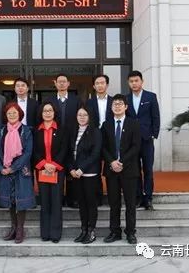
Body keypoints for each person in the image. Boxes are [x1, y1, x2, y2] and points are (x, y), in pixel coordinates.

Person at [0, 102, 35, 243]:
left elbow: (28, 152)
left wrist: (13, 167)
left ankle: (20, 229)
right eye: (9, 113)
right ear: (5, 115)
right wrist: (0, 168)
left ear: (20, 115)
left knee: (20, 201)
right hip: (5, 170)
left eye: (14, 113)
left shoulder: (26, 130)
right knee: (11, 201)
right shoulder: (0, 131)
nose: (12, 115)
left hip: (21, 170)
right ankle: (13, 227)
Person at [102, 94, 141, 244]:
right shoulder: (106, 125)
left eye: (120, 104)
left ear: (126, 107)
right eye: (114, 104)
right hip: (111, 170)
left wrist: (121, 161)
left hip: (129, 169)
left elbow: (136, 146)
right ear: (111, 108)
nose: (117, 106)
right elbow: (103, 147)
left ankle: (130, 232)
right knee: (114, 203)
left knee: (130, 203)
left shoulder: (134, 124)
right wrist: (112, 162)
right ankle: (115, 231)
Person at [33, 101, 68, 243]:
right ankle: (45, 233)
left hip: (57, 170)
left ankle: (55, 233)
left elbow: (64, 149)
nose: (47, 113)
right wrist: (43, 164)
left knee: (56, 201)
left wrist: (54, 164)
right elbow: (34, 151)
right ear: (41, 114)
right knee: (45, 201)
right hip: (42, 170)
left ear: (55, 113)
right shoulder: (36, 130)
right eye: (45, 111)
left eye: (50, 110)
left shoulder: (62, 129)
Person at [126, 70, 160, 211]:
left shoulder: (150, 97)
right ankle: (138, 197)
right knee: (135, 171)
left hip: (146, 139)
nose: (134, 83)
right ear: (129, 83)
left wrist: (154, 134)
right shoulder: (125, 99)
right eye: (131, 81)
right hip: (132, 141)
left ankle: (148, 198)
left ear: (141, 81)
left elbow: (155, 117)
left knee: (148, 170)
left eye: (136, 81)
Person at [45, 73, 80, 208]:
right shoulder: (49, 101)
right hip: (54, 139)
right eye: (59, 82)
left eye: (64, 81)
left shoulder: (76, 100)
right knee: (56, 167)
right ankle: (57, 199)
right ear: (55, 83)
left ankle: (72, 199)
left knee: (71, 166)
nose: (61, 84)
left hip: (72, 138)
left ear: (68, 83)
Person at [68, 105, 102, 244]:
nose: (82, 117)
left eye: (85, 115)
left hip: (89, 174)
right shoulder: (73, 131)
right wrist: (71, 169)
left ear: (90, 117)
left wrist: (82, 169)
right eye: (79, 115)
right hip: (76, 174)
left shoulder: (95, 131)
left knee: (90, 203)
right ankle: (83, 230)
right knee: (81, 203)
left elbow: (95, 154)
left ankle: (91, 230)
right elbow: (69, 152)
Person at [86, 74, 113, 206]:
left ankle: (111, 194)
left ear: (107, 85)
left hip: (110, 138)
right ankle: (98, 196)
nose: (100, 85)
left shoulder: (115, 101)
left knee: (110, 167)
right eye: (97, 83)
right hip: (94, 138)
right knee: (95, 167)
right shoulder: (89, 102)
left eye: (102, 83)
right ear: (93, 86)